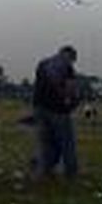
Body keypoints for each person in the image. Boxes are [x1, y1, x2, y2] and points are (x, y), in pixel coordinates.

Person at [33, 45, 80, 178]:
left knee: (45, 142)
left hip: (39, 108)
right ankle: (71, 172)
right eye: (73, 59)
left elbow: (38, 86)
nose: (72, 62)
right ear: (71, 56)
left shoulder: (42, 63)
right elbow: (70, 90)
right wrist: (73, 103)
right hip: (58, 110)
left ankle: (44, 170)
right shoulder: (67, 67)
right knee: (66, 142)